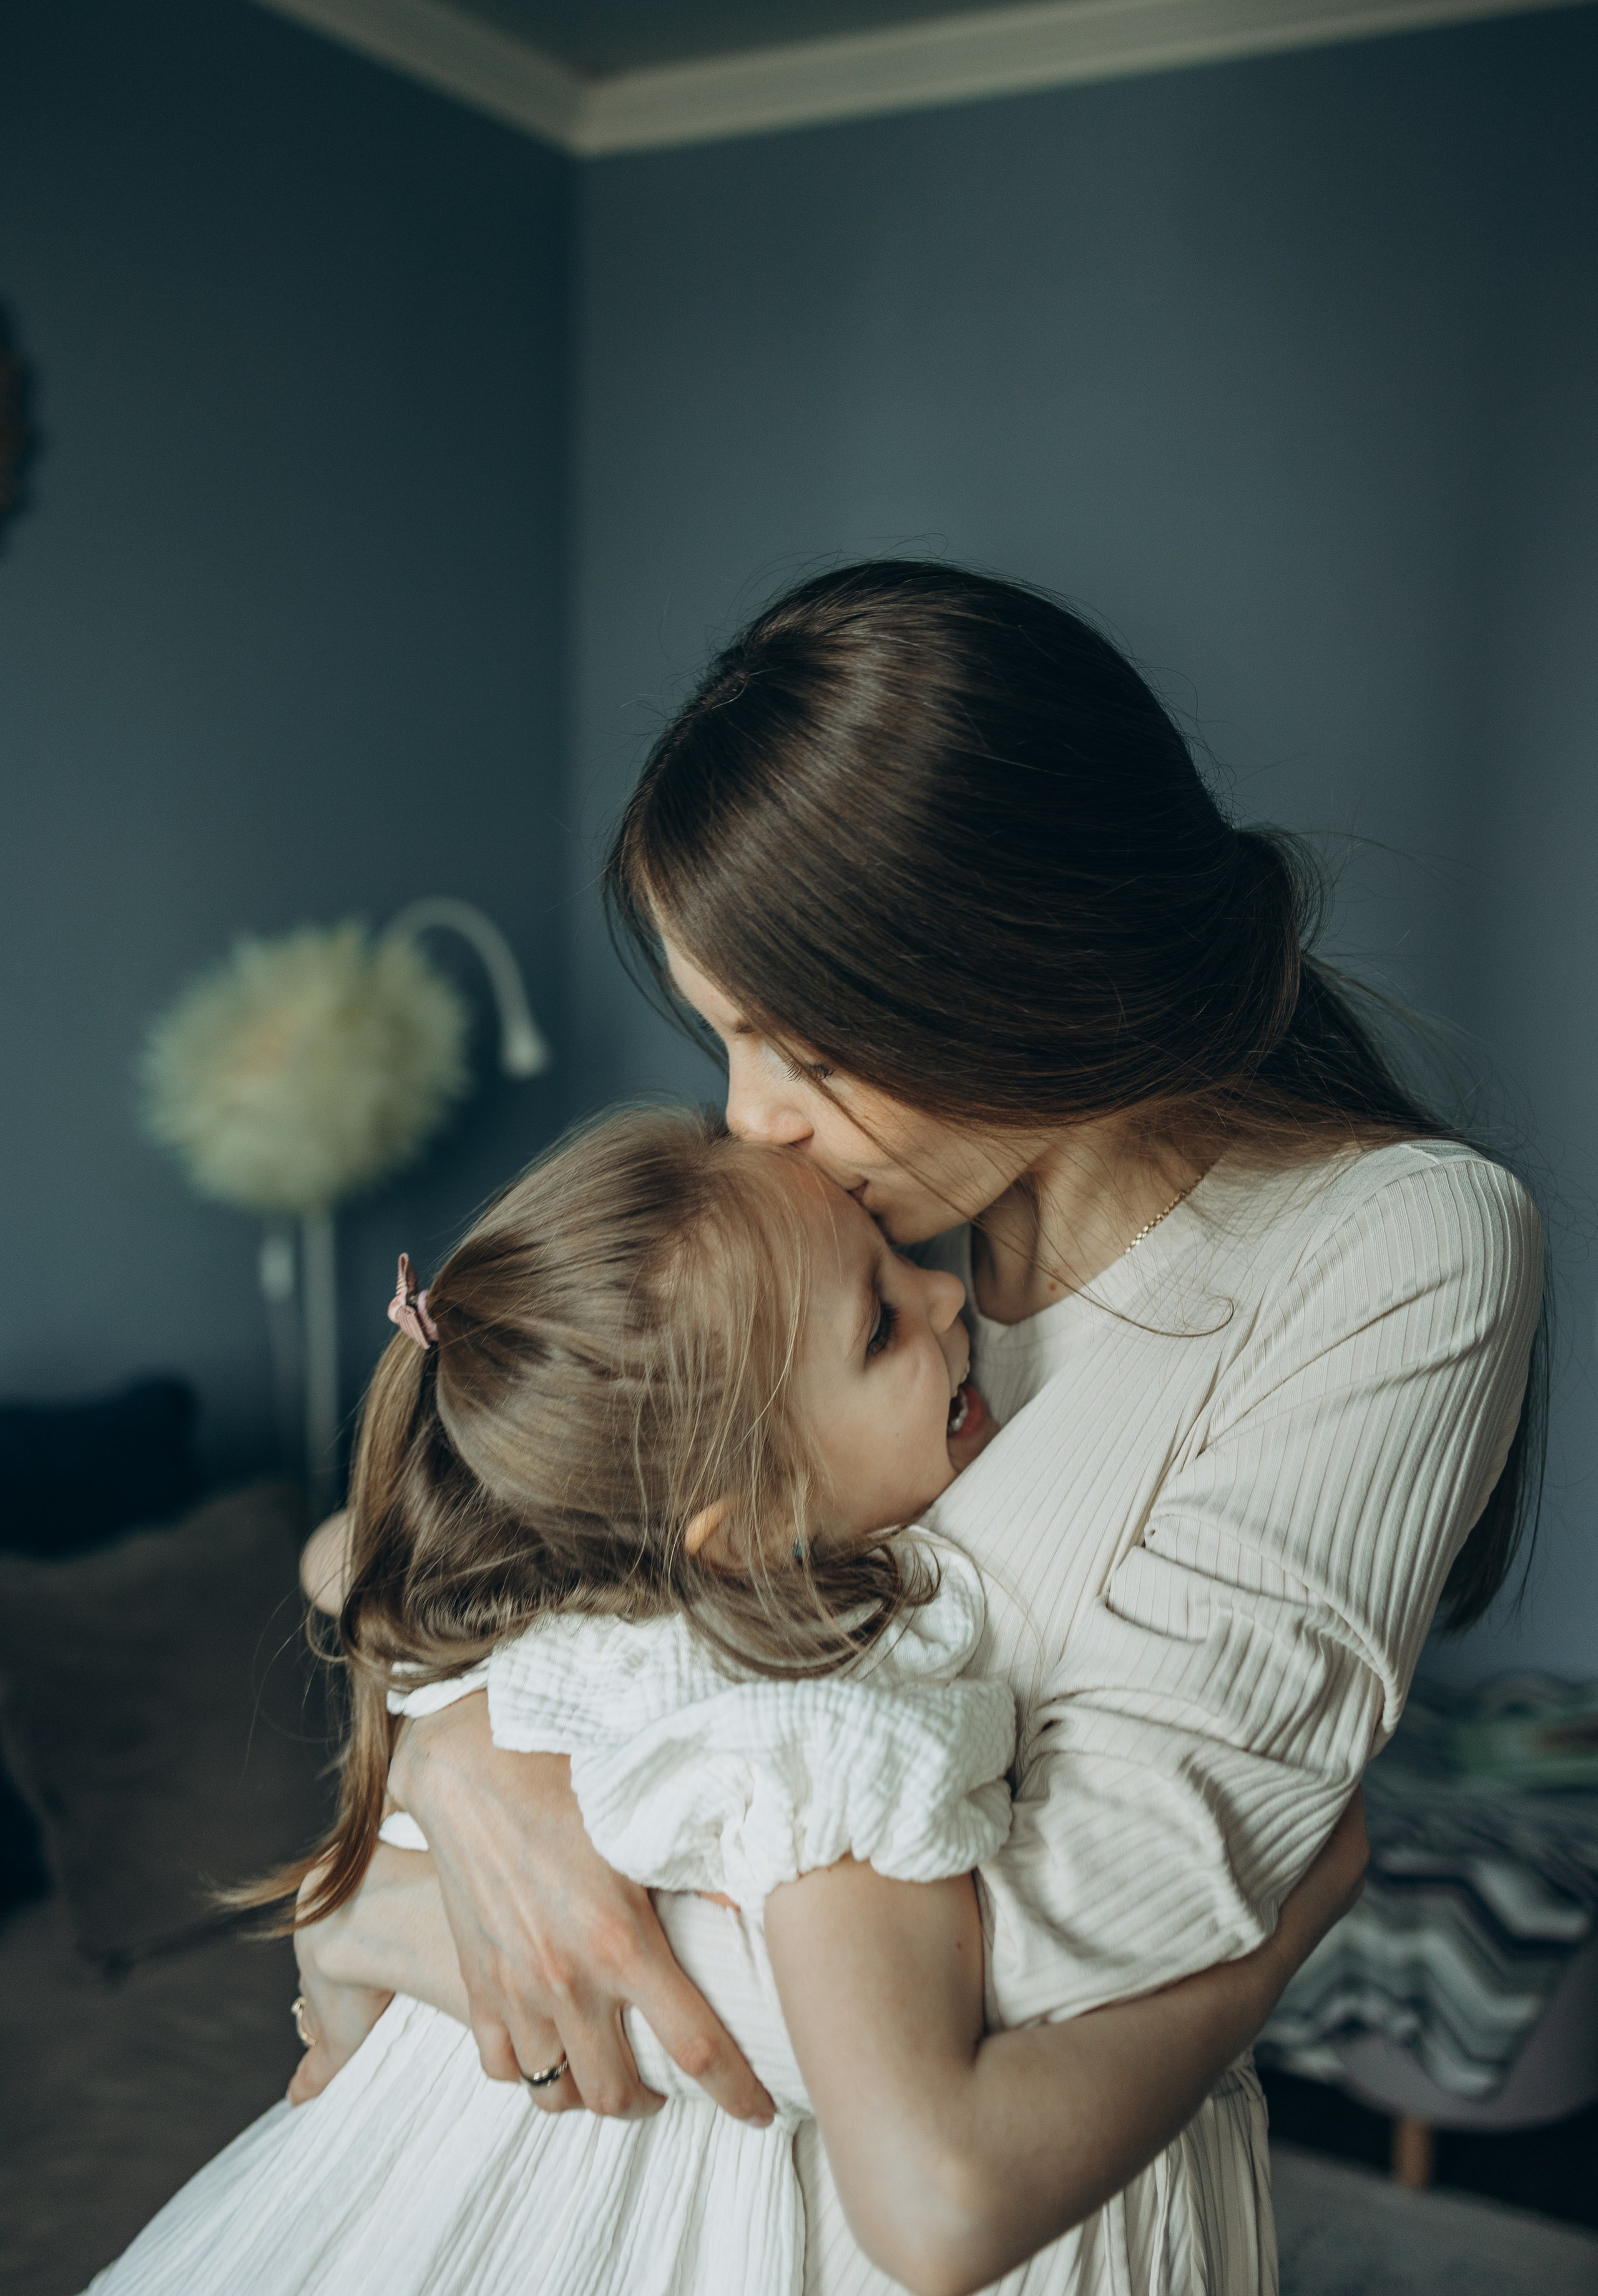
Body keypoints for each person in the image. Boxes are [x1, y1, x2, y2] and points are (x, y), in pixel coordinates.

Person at [330, 561, 1544, 2296]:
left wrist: (434, 1899)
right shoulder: (852, 1223)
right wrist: (469, 1759)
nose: (749, 1122)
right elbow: (488, 1507)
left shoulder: (1395, 1247)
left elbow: (1068, 1956)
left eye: (798, 1046)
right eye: (723, 1038)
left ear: (1007, 970)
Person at [82, 1109, 1365, 2296]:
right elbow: (932, 2206)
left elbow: (346, 1580)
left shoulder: (536, 1611)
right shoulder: (801, 1719)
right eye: (877, 1328)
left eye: (894, 1258)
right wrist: (1265, 1946)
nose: (942, 1291)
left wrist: (356, 1970)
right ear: (742, 1529)